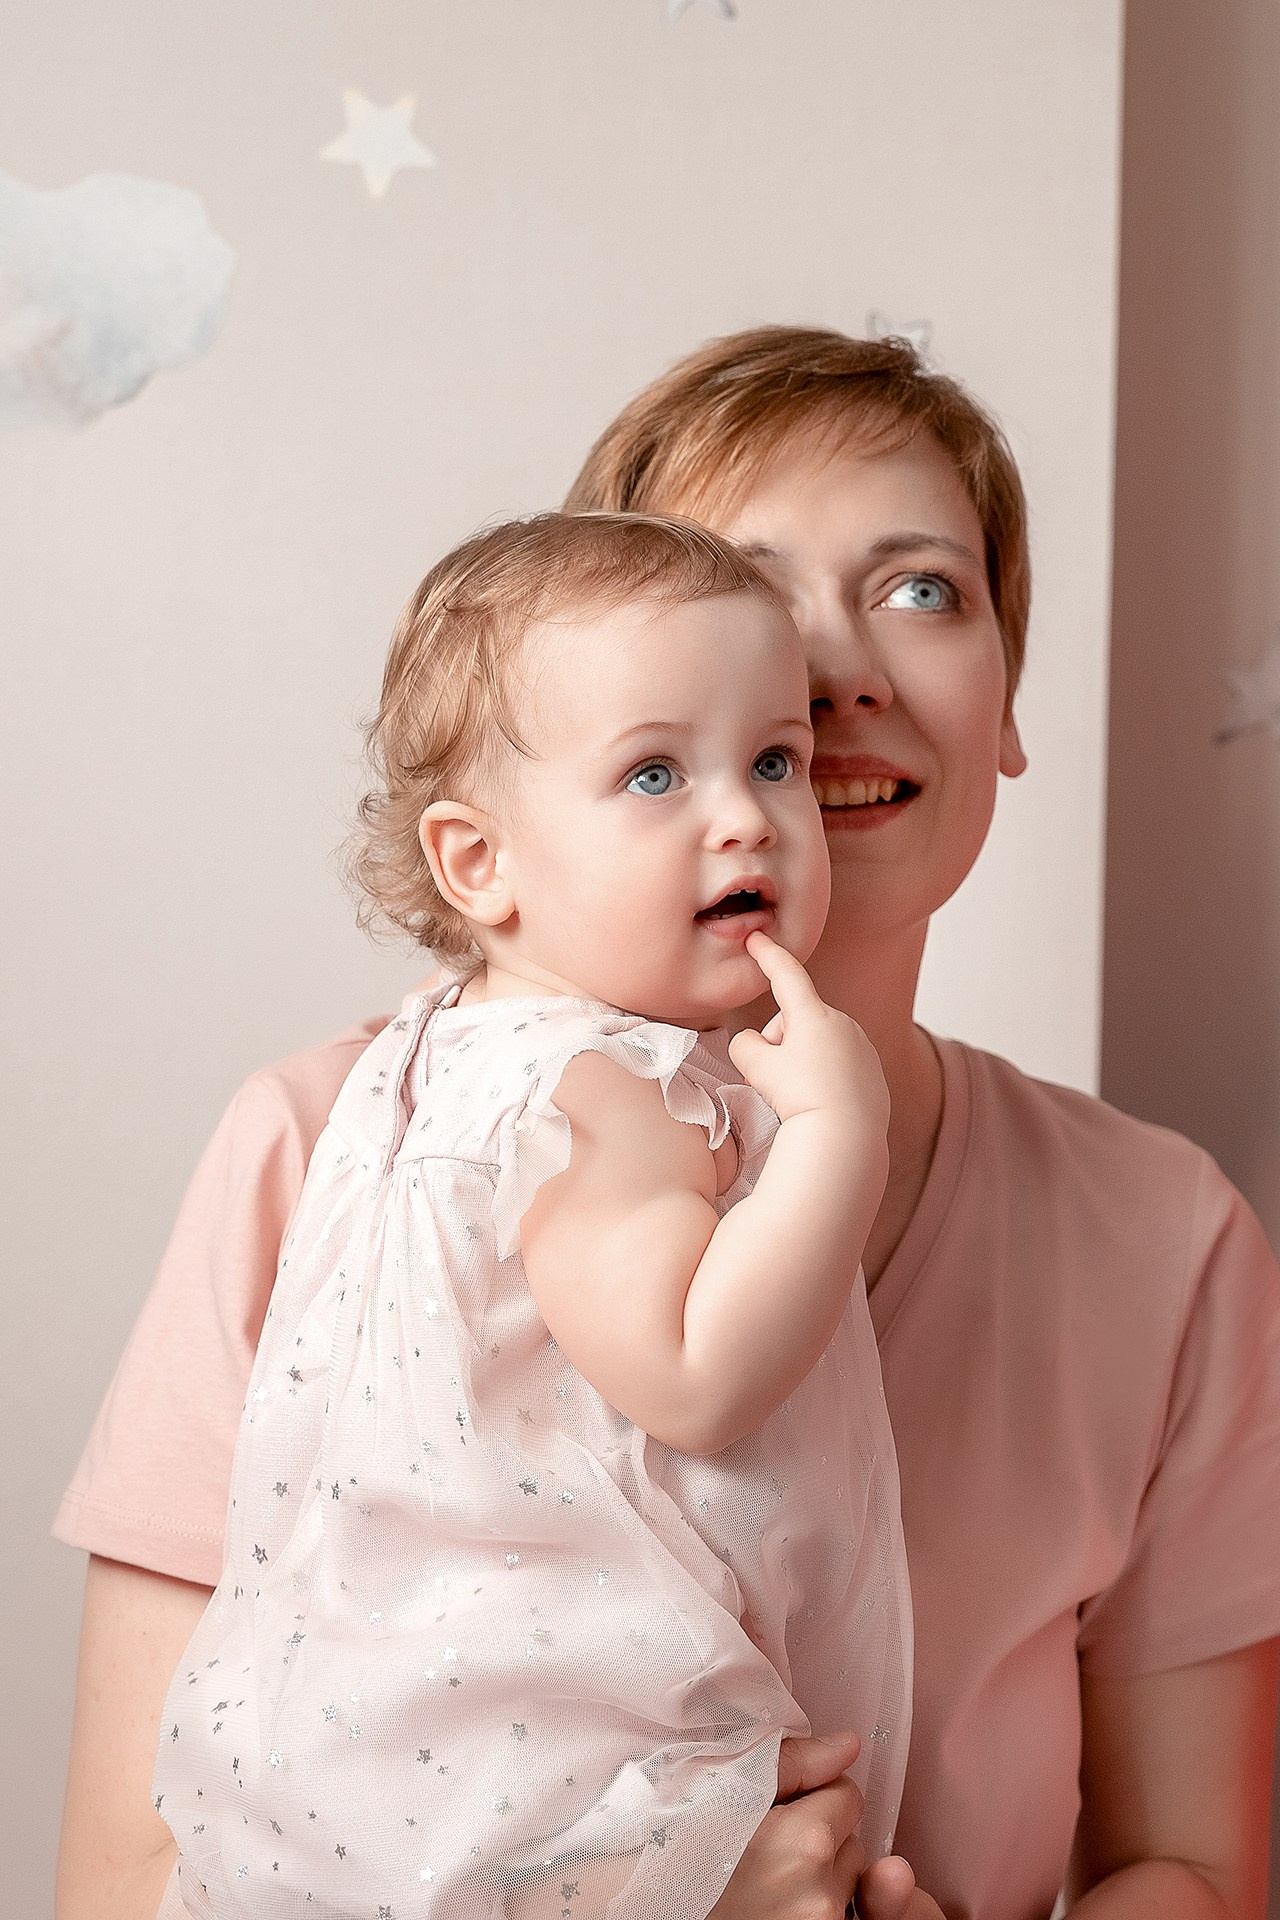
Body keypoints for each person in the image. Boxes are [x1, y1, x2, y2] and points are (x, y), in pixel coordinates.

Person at [55, 328, 1280, 1920]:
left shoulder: (1164, 1239)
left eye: (923, 589)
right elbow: (127, 1877)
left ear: (1009, 702)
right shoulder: (327, 1152)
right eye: (747, 590)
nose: (835, 673)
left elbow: (1197, 1869)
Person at [150, 509, 912, 1919]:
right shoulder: (598, 1085)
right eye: (654, 773)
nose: (745, 816)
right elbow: (692, 1375)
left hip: (399, 1738)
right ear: (478, 864)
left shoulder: (425, 1057)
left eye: (775, 760)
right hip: (573, 1762)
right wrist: (838, 1138)